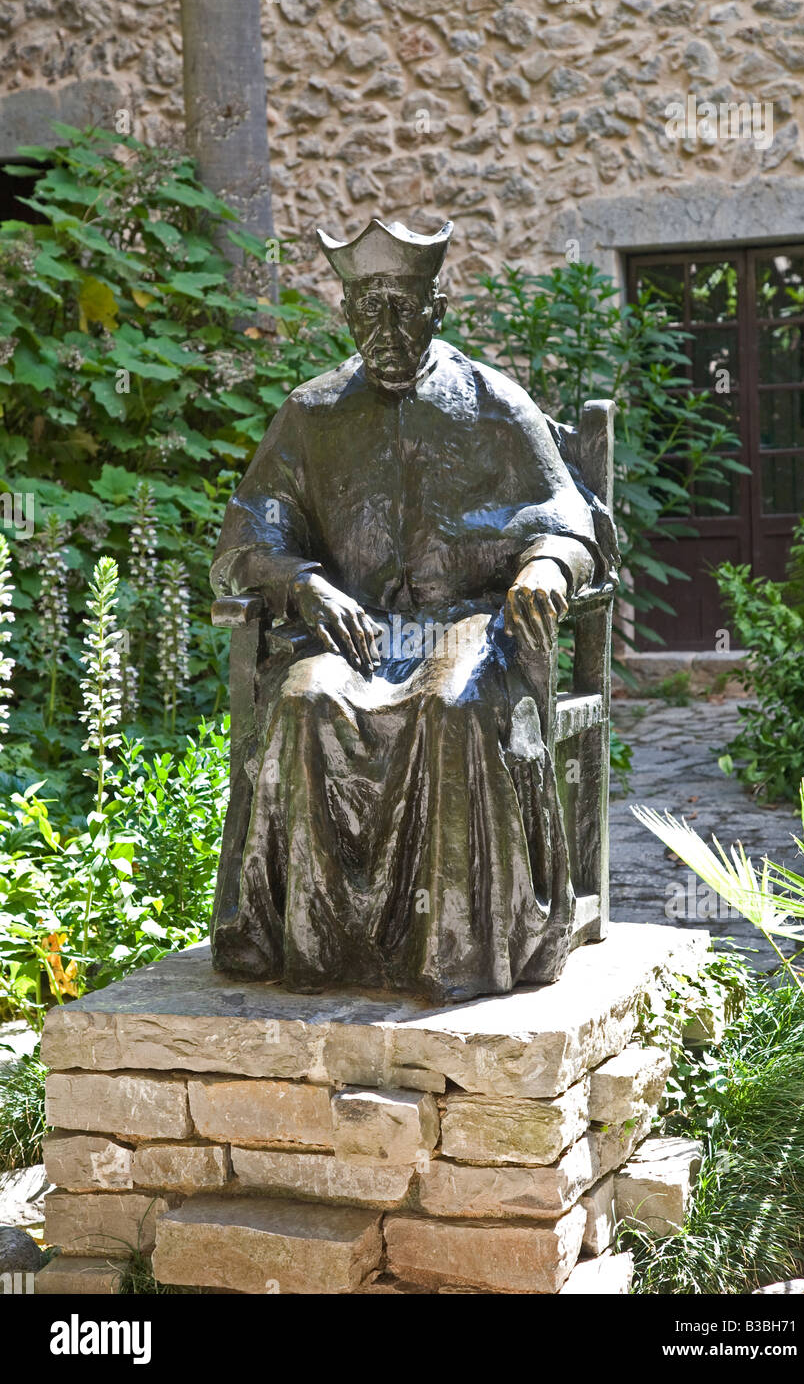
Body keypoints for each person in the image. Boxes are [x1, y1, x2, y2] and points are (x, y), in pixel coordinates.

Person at [210, 217, 615, 1003]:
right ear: (346, 315)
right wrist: (303, 582)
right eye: (367, 309)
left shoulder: (494, 403)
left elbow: (572, 521)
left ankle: (450, 954)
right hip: (350, 627)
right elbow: (249, 532)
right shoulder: (312, 411)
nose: (385, 329)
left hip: (466, 624)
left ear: (437, 307)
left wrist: (542, 566)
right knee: (304, 705)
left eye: (401, 306)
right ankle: (322, 953)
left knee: (448, 707)